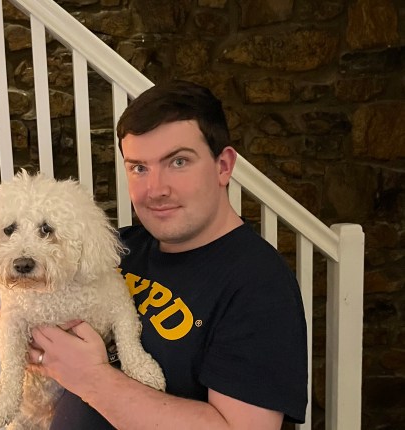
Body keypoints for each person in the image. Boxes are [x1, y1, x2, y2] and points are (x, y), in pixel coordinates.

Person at [25, 80, 308, 429]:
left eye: (178, 162)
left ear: (224, 166)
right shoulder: (117, 248)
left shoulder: (259, 284)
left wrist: (91, 378)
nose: (155, 190)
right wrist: (29, 342)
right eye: (139, 167)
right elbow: (21, 303)